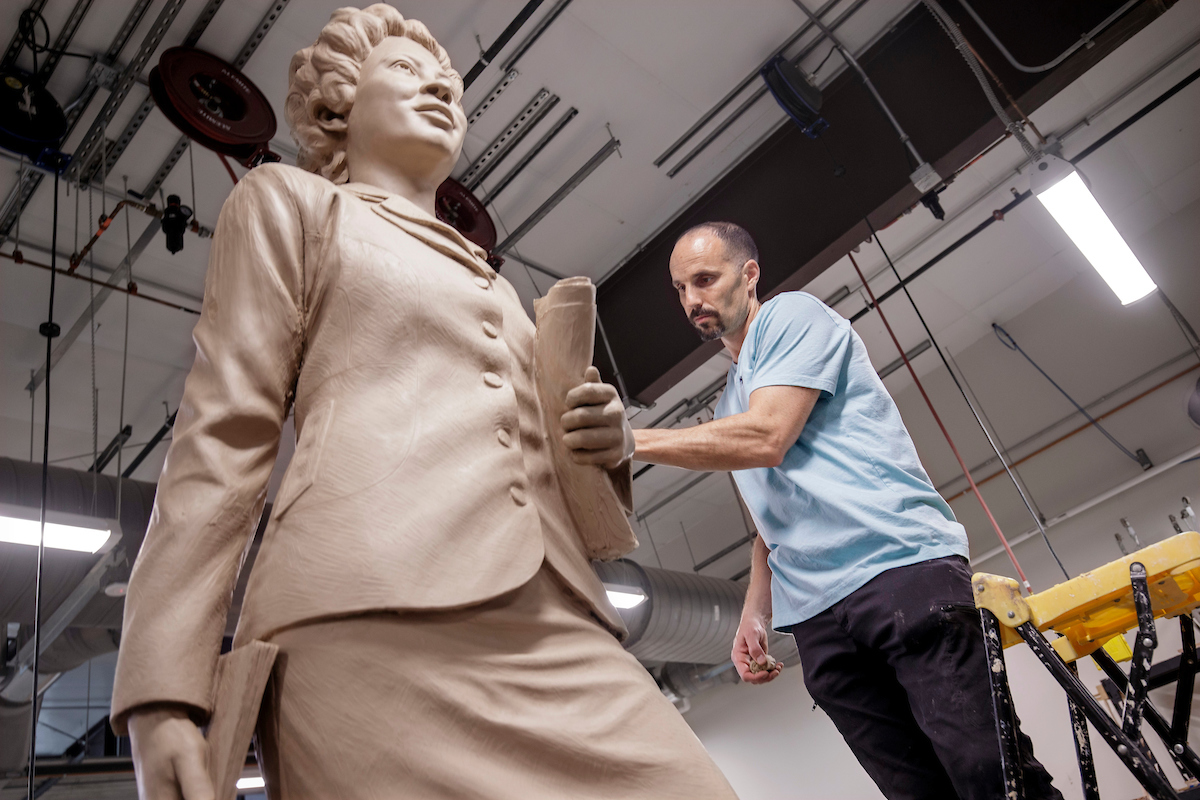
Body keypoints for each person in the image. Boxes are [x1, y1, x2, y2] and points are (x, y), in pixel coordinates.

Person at [110, 7, 737, 799]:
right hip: (364, 611)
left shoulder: (503, 289)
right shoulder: (291, 206)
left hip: (561, 624)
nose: (440, 85)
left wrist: (603, 443)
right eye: (406, 72)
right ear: (339, 108)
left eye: (449, 82)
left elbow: (555, 480)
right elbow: (223, 431)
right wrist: (162, 687)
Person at [633, 221, 1062, 800]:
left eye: (704, 280)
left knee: (988, 772)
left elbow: (768, 437)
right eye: (681, 289)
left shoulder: (791, 318)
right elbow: (770, 523)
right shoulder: (730, 400)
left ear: (749, 273)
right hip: (817, 615)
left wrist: (630, 439)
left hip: (897, 569)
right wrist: (754, 614)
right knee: (915, 791)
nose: (692, 300)